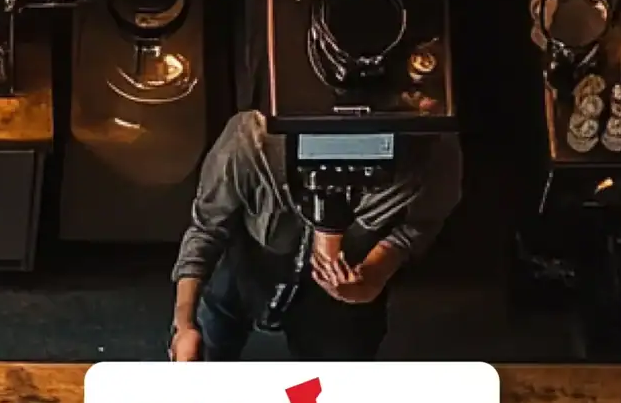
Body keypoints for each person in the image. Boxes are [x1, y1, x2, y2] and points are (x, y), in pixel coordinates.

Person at [169, 109, 462, 362]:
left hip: (344, 293)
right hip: (247, 268)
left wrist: (376, 271)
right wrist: (184, 324)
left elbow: (422, 222)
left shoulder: (432, 152)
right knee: (210, 348)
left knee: (332, 394)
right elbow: (207, 227)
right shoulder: (252, 140)